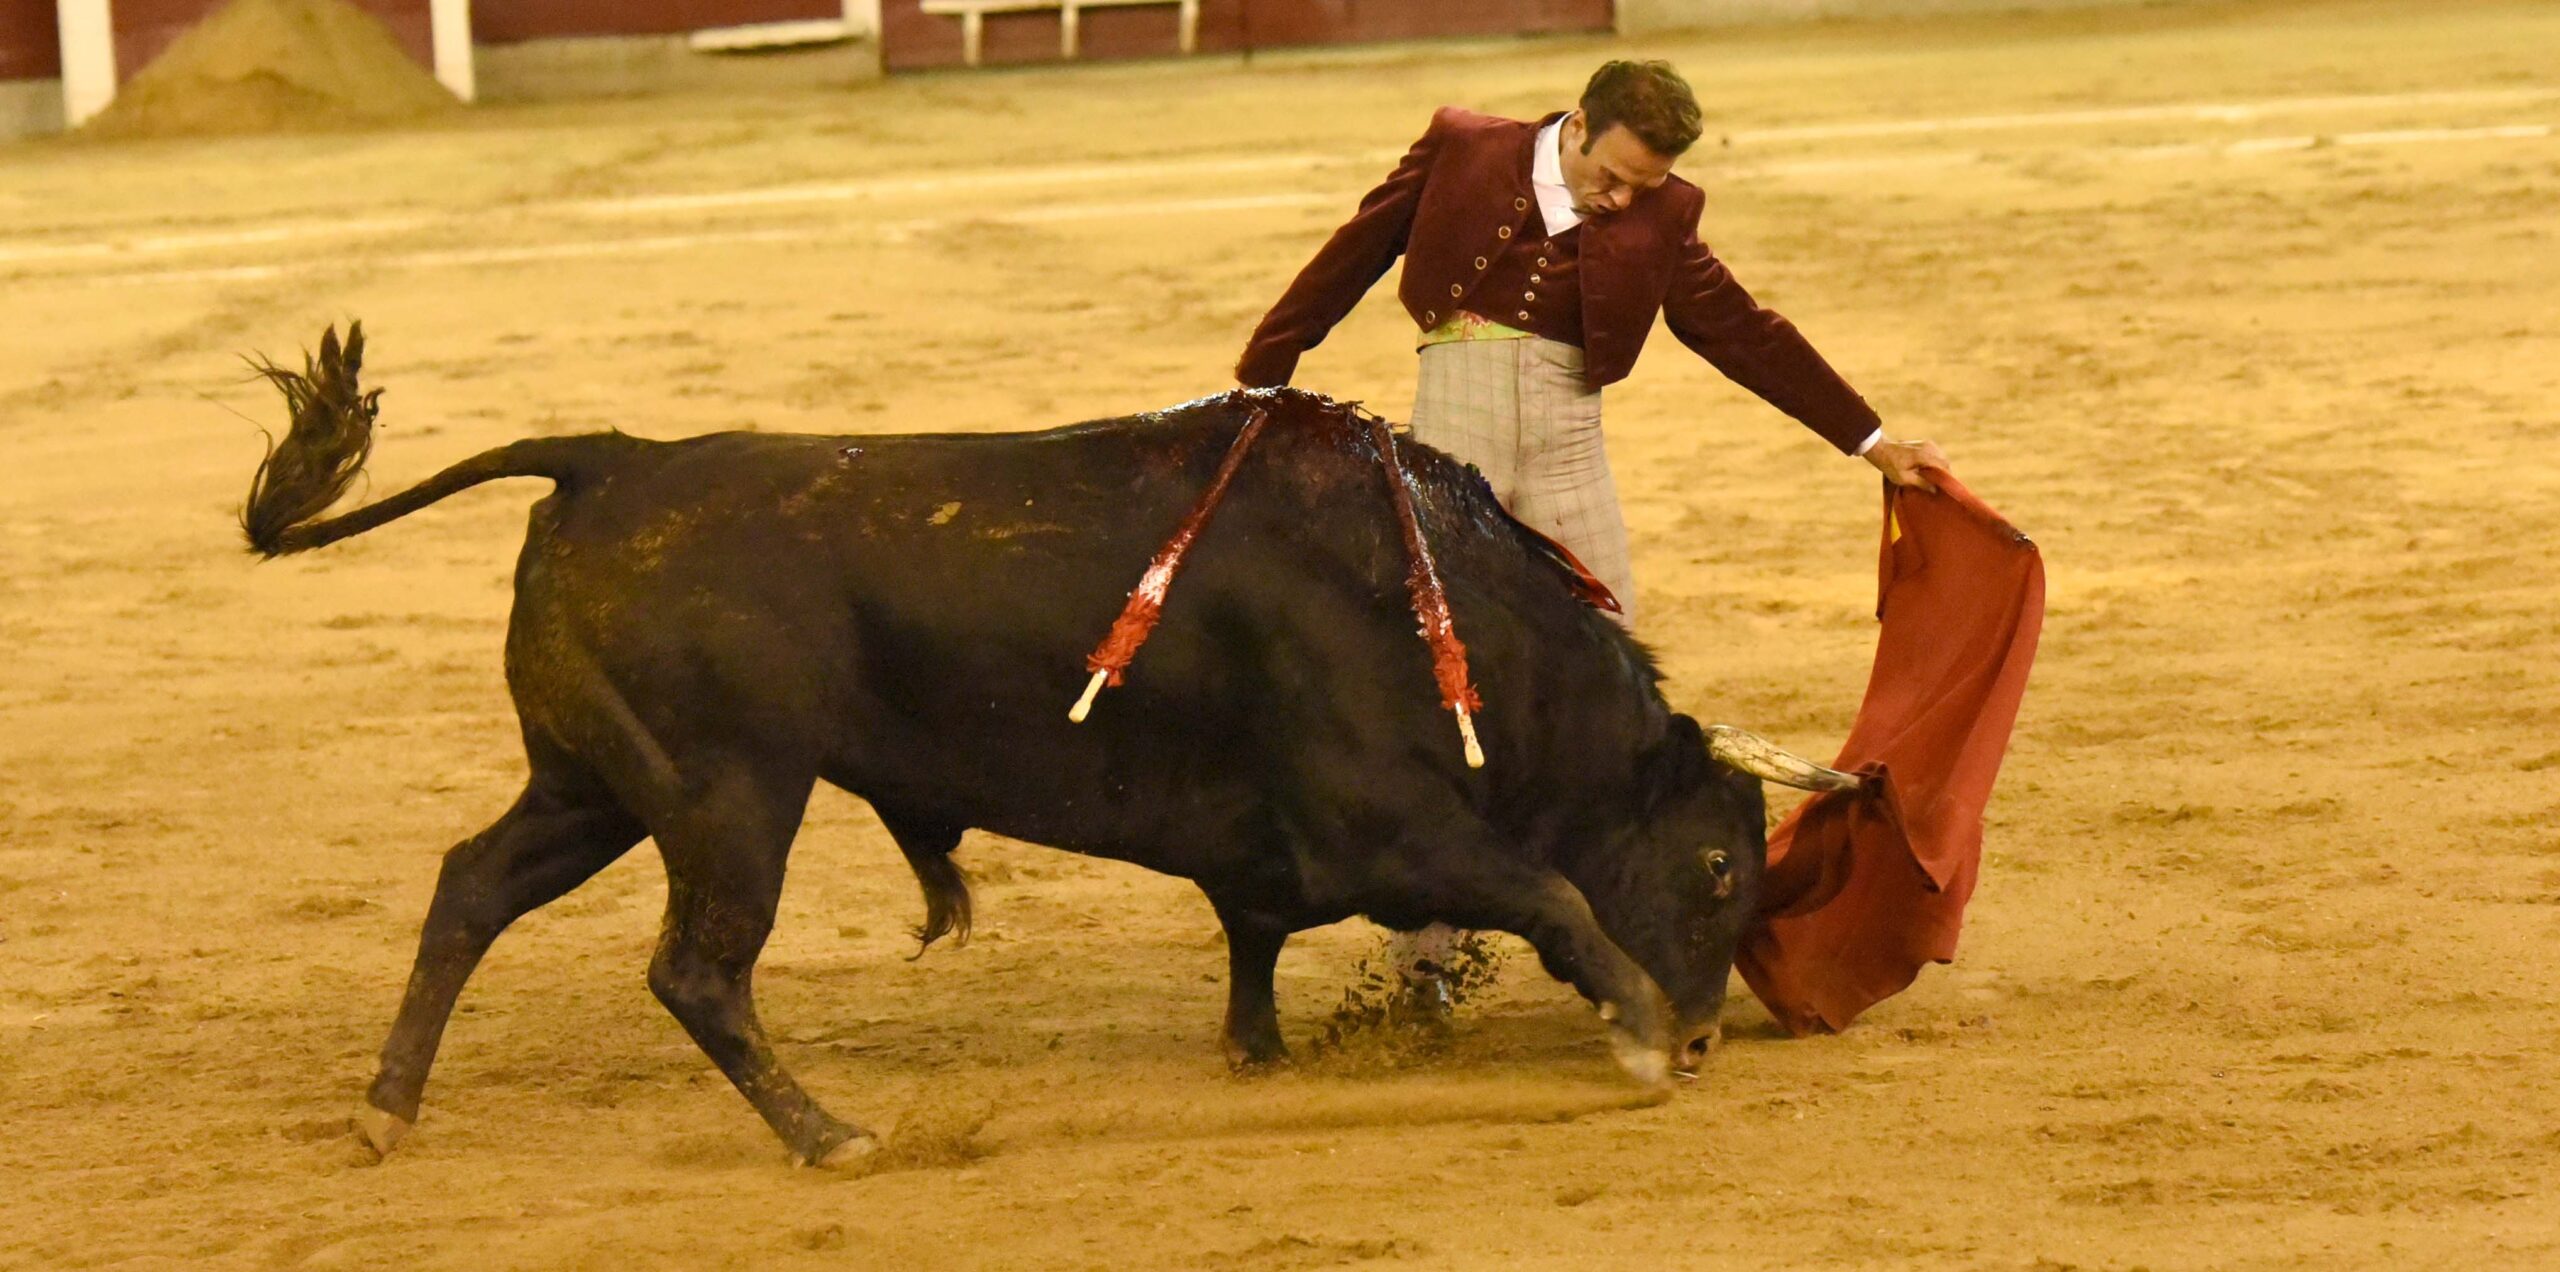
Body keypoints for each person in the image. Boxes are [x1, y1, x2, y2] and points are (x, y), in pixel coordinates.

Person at [1234, 59, 1950, 1013]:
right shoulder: (1463, 147)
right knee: (1439, 687)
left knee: (1613, 692)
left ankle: (1628, 930)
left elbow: (1743, 331)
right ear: (1576, 125)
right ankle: (1425, 958)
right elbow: (1351, 253)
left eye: (1642, 188)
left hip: (1572, 451)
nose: (1620, 202)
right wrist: (1264, 373)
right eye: (1609, 177)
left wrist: (1869, 440)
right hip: (1457, 443)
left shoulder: (1668, 210)